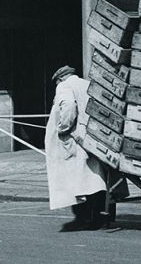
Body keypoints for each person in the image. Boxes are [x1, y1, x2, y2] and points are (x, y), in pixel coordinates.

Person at [45, 65, 107, 229]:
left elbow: (68, 106)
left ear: (60, 79)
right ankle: (99, 215)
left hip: (75, 140)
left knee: (78, 181)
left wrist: (62, 128)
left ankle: (86, 219)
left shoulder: (64, 86)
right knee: (94, 178)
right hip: (92, 138)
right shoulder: (86, 84)